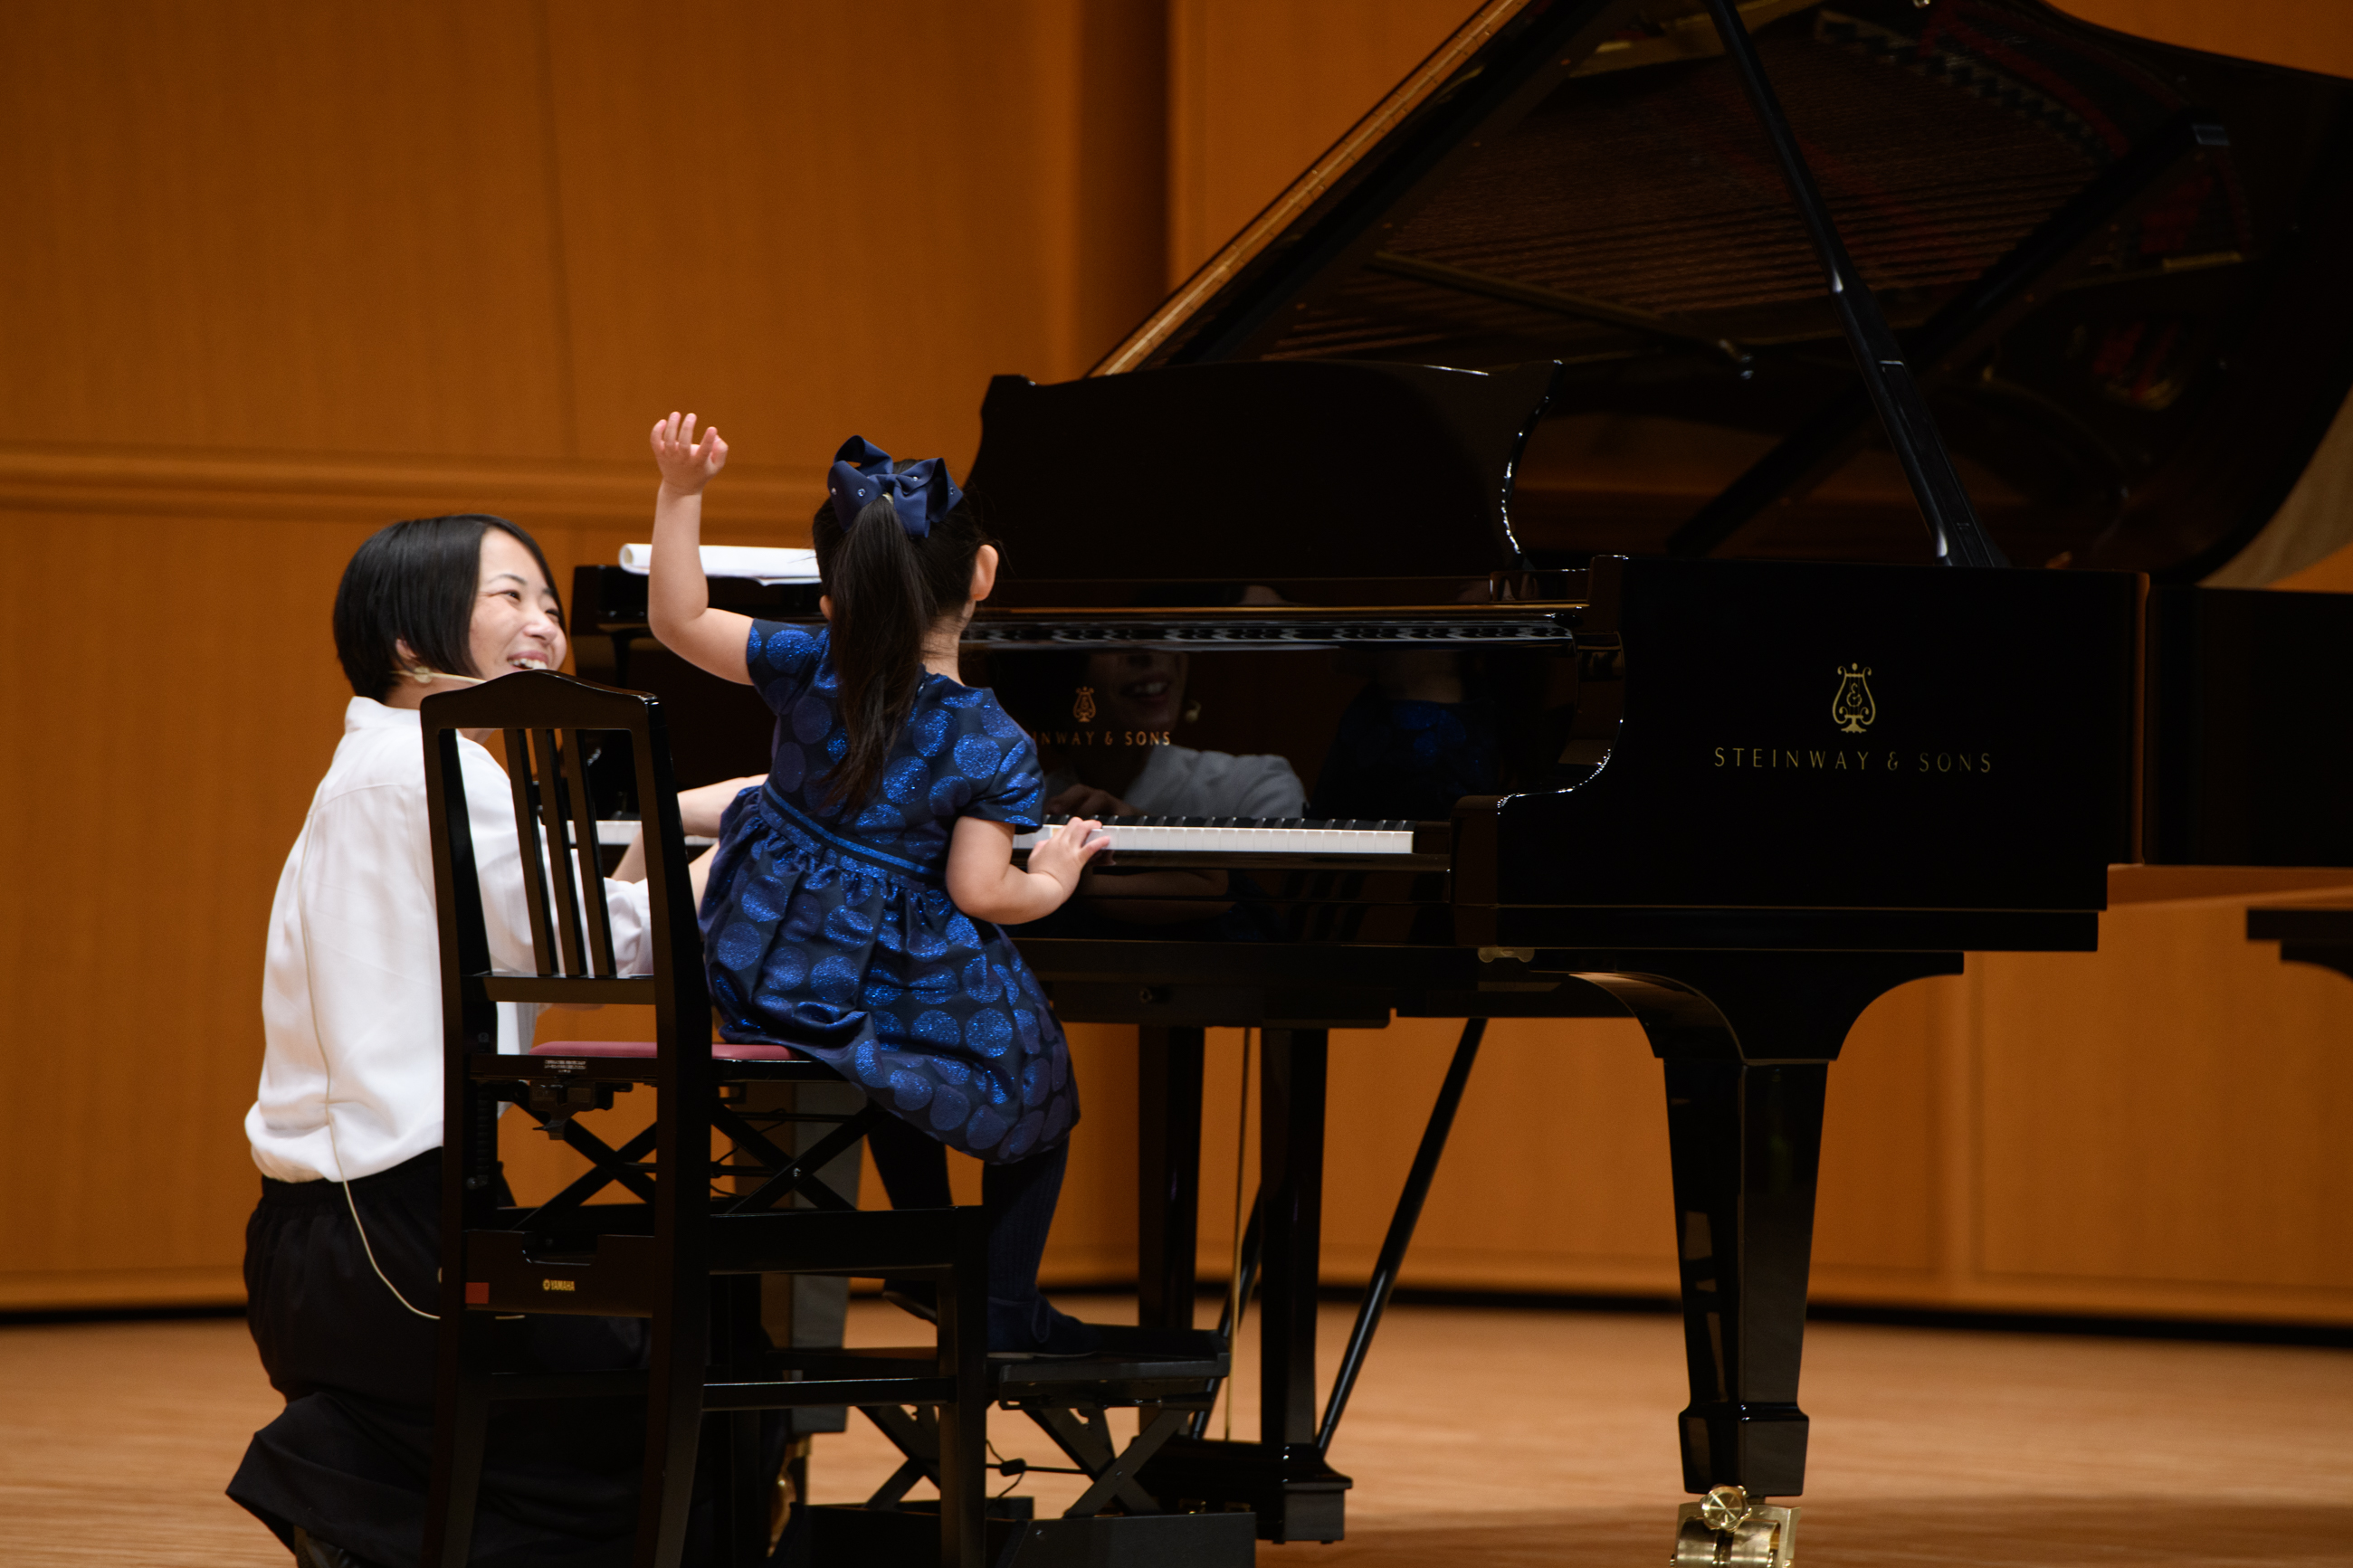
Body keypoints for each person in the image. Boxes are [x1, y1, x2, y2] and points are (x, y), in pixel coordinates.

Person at [229, 514, 756, 1568]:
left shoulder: (389, 764)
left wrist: (694, 819)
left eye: (551, 604)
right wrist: (742, 849)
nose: (543, 623)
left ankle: (355, 1487)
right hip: (391, 1249)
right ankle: (334, 1482)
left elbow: (545, 913)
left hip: (331, 1252)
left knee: (630, 1373)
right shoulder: (436, 767)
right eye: (507, 595)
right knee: (698, 1362)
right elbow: (597, 949)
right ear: (408, 638)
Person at [644, 414, 1110, 1356]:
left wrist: (680, 491)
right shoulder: (991, 740)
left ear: (830, 596)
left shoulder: (808, 663)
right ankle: (1001, 1305)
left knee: (896, 1066)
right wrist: (1051, 878)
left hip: (758, 968)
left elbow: (678, 620)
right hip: (879, 986)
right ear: (981, 575)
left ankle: (925, 1255)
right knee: (1036, 1085)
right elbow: (981, 891)